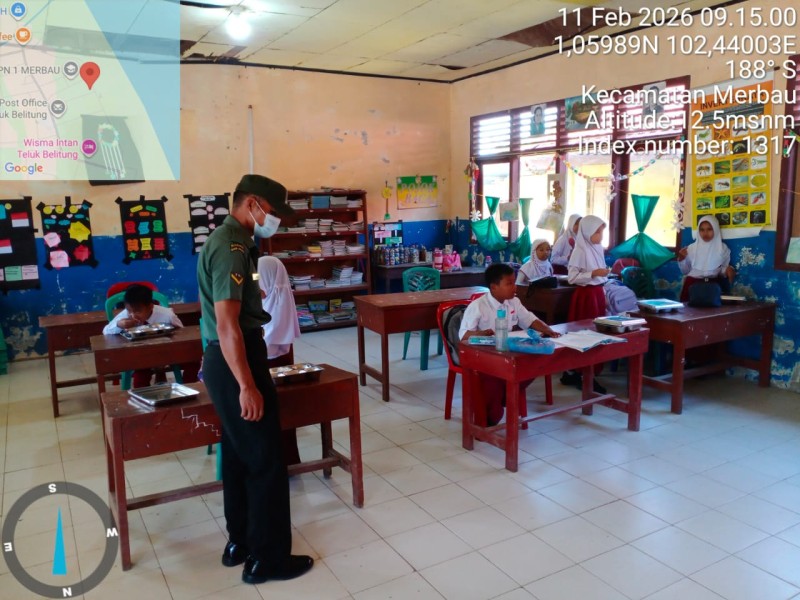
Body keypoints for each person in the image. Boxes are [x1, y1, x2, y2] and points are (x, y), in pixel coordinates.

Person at [197, 173, 313, 585]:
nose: (275, 220)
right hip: (236, 358)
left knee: (239, 453)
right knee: (266, 459)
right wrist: (247, 384)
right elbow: (228, 325)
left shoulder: (235, 243)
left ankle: (240, 542)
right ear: (253, 205)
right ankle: (268, 559)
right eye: (274, 212)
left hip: (227, 358)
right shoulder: (231, 248)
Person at [459, 263, 560, 426]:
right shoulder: (478, 306)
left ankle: (506, 396)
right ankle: (488, 419)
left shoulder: (514, 302)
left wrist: (547, 330)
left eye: (514, 282)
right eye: (509, 283)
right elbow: (463, 336)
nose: (515, 287)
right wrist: (481, 334)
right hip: (484, 357)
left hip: (506, 352)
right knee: (493, 381)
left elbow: (529, 319)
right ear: (493, 287)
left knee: (532, 365)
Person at [103, 284, 199, 387]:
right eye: (130, 311)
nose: (133, 315)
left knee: (194, 363)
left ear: (150, 306)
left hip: (167, 352)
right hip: (141, 355)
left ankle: (189, 389)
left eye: (138, 311)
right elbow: (105, 331)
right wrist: (119, 324)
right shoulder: (126, 314)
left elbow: (182, 332)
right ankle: (143, 398)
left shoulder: (166, 315)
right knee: (141, 375)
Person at [564, 215, 610, 392]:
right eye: (597, 232)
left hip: (597, 293)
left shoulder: (597, 248)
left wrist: (603, 275)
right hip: (585, 297)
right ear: (588, 231)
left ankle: (590, 371)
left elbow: (599, 274)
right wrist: (593, 273)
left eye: (602, 232)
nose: (601, 236)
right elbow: (572, 277)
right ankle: (581, 372)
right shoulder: (580, 251)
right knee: (585, 334)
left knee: (597, 333)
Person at [677, 215, 735, 301]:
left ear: (715, 229)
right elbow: (685, 271)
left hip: (713, 286)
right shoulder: (691, 249)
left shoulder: (722, 249)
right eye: (702, 230)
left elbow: (720, 271)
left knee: (713, 313)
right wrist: (682, 259)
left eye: (709, 229)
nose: (705, 233)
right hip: (692, 285)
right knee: (690, 313)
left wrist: (728, 270)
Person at [257, 256, 301, 360]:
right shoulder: (278, 298)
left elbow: (267, 342)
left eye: (259, 279)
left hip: (269, 359)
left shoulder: (276, 306)